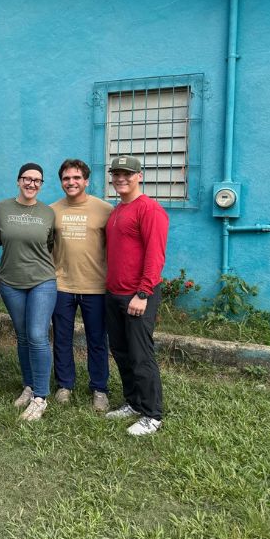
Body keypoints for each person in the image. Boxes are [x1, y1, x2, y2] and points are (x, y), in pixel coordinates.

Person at [103, 155, 169, 436]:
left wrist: (143, 293)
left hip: (137, 294)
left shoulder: (149, 209)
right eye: (116, 174)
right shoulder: (118, 210)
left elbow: (156, 255)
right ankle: (133, 401)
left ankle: (152, 414)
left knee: (141, 355)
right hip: (114, 293)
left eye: (127, 174)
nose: (121, 178)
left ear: (139, 176)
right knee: (120, 351)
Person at [49, 159, 114, 412]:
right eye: (66, 178)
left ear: (86, 180)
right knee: (62, 339)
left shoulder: (105, 209)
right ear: (61, 181)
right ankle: (65, 385)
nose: (71, 182)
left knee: (97, 339)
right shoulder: (52, 210)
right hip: (61, 284)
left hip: (95, 286)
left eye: (76, 178)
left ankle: (99, 388)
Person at [0, 162, 56, 422]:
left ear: (41, 184)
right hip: (10, 282)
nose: (32, 184)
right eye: (27, 179)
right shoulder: (1, 208)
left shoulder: (48, 213)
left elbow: (53, 245)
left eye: (37, 180)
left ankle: (40, 397)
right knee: (21, 336)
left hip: (42, 280)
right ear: (18, 181)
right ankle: (29, 386)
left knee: (37, 335)